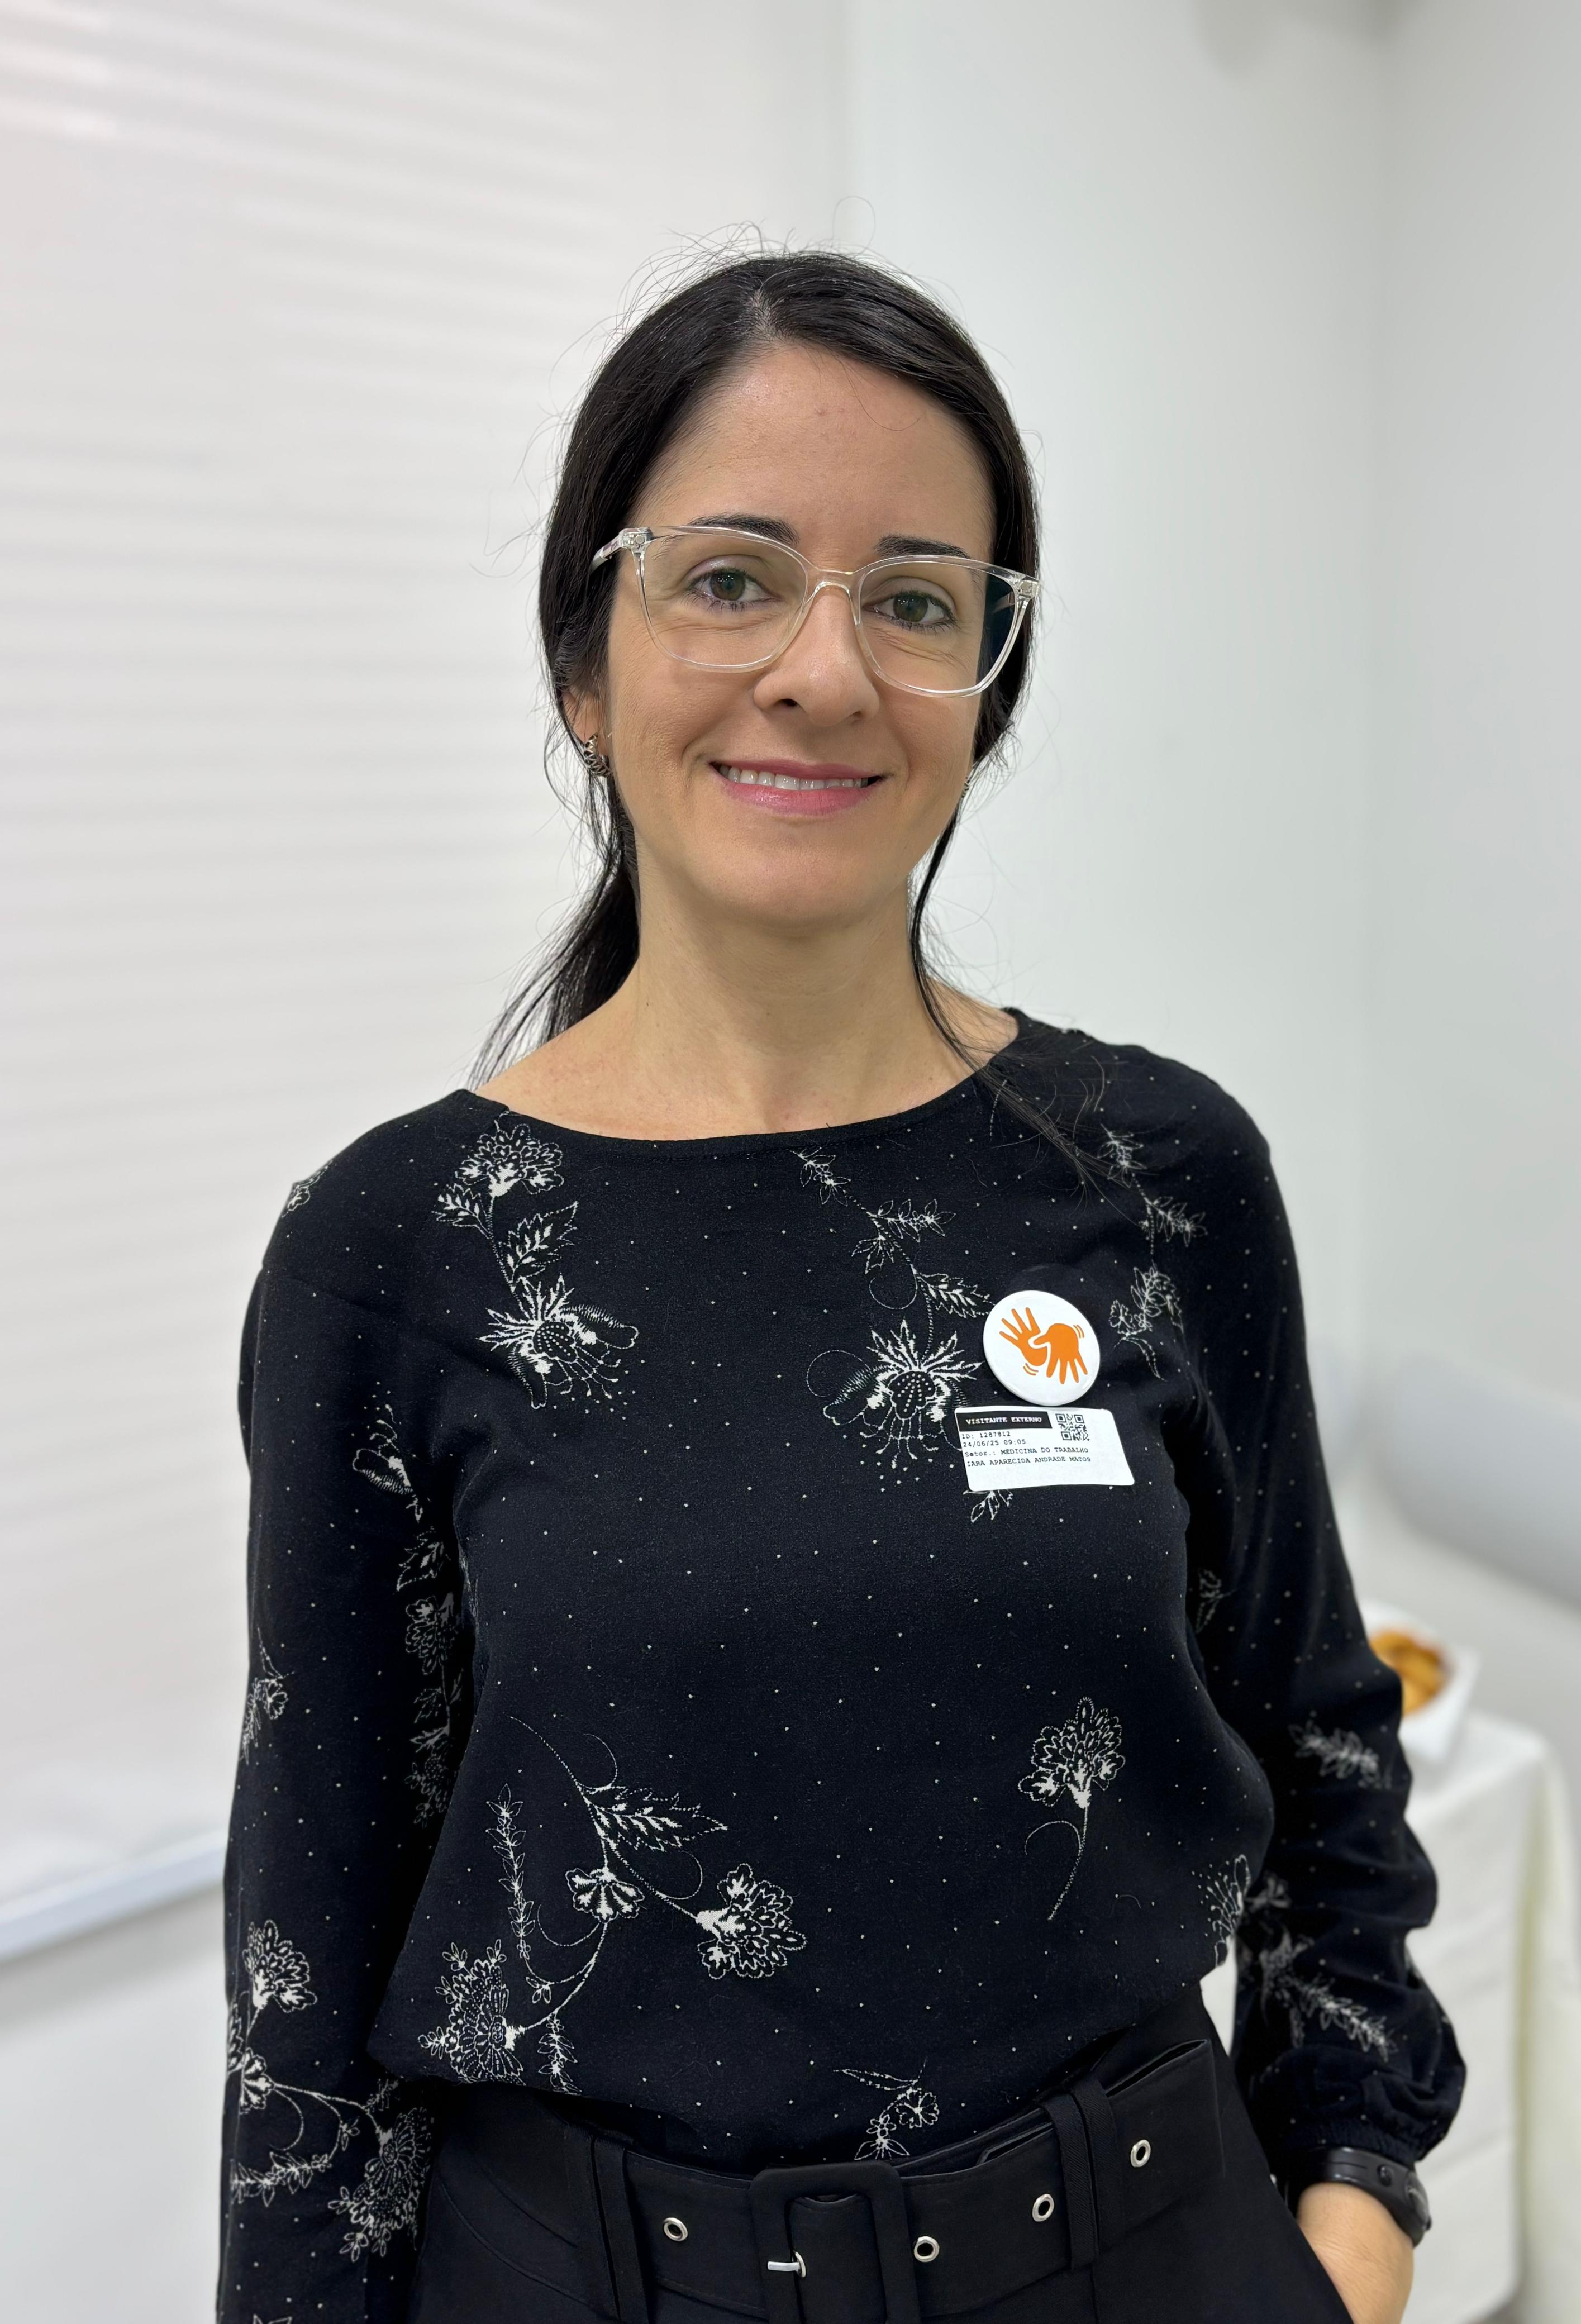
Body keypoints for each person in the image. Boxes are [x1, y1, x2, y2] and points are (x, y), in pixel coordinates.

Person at [218, 251, 1461, 2324]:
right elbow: (309, 1955)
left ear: (984, 691)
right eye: (728, 578)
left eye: (915, 601)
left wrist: (1354, 2212)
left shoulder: (1159, 1175)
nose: (823, 671)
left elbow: (1320, 1741)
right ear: (585, 665)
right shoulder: (401, 1250)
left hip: (1148, 2253)